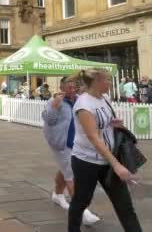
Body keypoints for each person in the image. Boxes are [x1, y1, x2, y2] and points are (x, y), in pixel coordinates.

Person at [67, 68, 142, 232]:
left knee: (125, 205)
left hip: (108, 158)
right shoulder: (84, 105)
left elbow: (104, 126)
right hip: (86, 161)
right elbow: (93, 138)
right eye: (107, 80)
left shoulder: (105, 98)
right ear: (96, 82)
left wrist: (116, 124)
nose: (110, 83)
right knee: (82, 200)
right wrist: (116, 165)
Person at [42, 78, 100, 225]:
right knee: (71, 174)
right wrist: (55, 105)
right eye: (69, 87)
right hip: (61, 143)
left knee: (64, 169)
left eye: (74, 87)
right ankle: (84, 212)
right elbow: (49, 120)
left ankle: (58, 194)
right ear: (62, 87)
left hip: (78, 142)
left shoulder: (80, 100)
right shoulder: (54, 101)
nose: (72, 90)